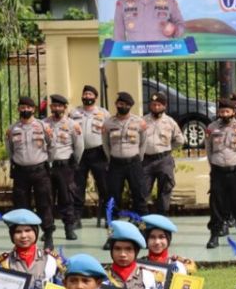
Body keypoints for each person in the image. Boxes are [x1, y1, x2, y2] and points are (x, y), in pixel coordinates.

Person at [7, 96, 55, 250]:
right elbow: (10, 150)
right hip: (21, 172)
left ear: (33, 109)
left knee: (44, 204)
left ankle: (48, 235)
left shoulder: (43, 126)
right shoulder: (12, 129)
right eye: (22, 107)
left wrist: (48, 162)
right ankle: (25, 237)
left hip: (40, 170)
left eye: (28, 108)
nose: (25, 110)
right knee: (21, 206)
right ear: (18, 109)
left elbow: (52, 146)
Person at [205, 97, 236, 250]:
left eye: (227, 111)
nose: (224, 114)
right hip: (218, 172)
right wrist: (214, 163)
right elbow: (208, 149)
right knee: (216, 204)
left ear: (233, 112)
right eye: (221, 111)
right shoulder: (211, 128)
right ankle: (214, 236)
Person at [103, 91, 149, 220]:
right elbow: (105, 144)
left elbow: (144, 142)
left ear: (130, 106)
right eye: (119, 103)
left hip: (134, 163)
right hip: (115, 164)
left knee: (139, 194)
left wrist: (138, 158)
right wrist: (111, 157)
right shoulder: (108, 123)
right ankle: (112, 228)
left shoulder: (139, 122)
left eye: (124, 104)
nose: (121, 106)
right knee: (113, 197)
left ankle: (141, 225)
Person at [45, 94, 83, 241]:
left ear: (65, 108)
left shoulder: (73, 125)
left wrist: (74, 162)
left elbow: (79, 146)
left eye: (60, 106)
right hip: (48, 166)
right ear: (50, 107)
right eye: (54, 106)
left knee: (66, 198)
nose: (57, 108)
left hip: (64, 167)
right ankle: (48, 230)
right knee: (47, 199)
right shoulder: (44, 124)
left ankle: (69, 228)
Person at [141, 92, 184, 216]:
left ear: (164, 106)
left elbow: (180, 140)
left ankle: (162, 215)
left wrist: (168, 149)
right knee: (143, 189)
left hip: (164, 160)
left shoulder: (170, 122)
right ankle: (140, 218)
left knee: (165, 188)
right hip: (146, 160)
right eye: (153, 105)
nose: (156, 107)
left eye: (159, 105)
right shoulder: (142, 121)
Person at [73, 85, 110, 228]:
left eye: (90, 94)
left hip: (98, 153)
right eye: (85, 94)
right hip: (80, 154)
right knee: (78, 187)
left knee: (104, 187)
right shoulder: (74, 112)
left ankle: (108, 217)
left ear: (95, 97)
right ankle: (76, 218)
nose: (87, 97)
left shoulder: (103, 113)